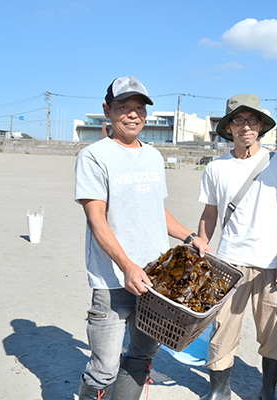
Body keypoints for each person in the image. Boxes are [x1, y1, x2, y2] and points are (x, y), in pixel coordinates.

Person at [74, 76, 209, 400]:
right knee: (104, 367)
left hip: (155, 282)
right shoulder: (94, 156)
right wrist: (127, 266)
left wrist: (189, 236)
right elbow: (96, 220)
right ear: (108, 110)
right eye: (124, 107)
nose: (132, 114)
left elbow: (155, 211)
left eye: (138, 108)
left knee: (141, 356)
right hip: (112, 280)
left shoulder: (151, 156)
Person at [197, 94, 277, 400]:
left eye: (252, 120)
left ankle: (269, 391)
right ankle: (219, 390)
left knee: (274, 330)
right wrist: (202, 240)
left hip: (270, 262)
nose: (245, 126)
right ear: (229, 127)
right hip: (228, 263)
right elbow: (210, 213)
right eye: (238, 120)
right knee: (222, 329)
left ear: (260, 127)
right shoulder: (216, 167)